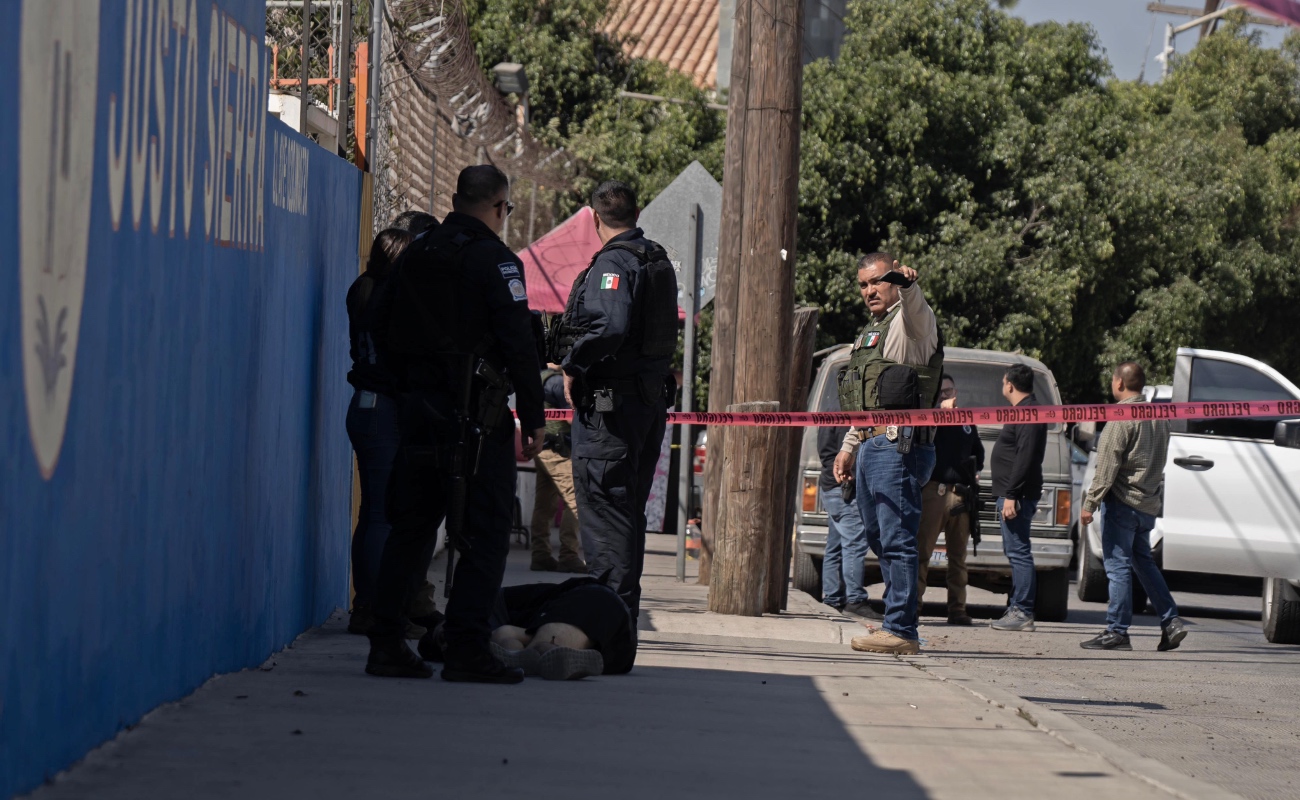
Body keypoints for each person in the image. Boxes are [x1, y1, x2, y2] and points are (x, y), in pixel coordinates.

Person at [365, 165, 546, 683]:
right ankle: (466, 646)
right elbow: (519, 346)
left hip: (418, 413)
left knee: (412, 527)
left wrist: (407, 385)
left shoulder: (417, 252)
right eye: (506, 209)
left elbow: (380, 321)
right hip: (478, 418)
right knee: (486, 530)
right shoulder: (497, 260)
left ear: (454, 199)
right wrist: (532, 417)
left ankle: (385, 643)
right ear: (497, 206)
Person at [556, 180, 677, 647]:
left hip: (612, 407)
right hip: (644, 404)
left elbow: (611, 325)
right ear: (638, 210)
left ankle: (608, 625)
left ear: (594, 218)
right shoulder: (656, 258)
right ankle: (621, 620)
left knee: (605, 511)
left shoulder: (614, 262)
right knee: (625, 514)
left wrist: (573, 362)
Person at [833, 254, 943, 655]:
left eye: (877, 281)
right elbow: (866, 398)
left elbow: (917, 309)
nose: (870, 291)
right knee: (880, 538)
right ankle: (898, 622)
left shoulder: (911, 322)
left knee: (897, 539)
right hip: (870, 443)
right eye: (863, 285)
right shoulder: (871, 331)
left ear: (894, 279)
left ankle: (901, 629)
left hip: (900, 444)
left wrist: (910, 285)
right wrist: (849, 446)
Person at [1079, 362, 1187, 652]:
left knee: (1118, 567)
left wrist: (1091, 502)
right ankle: (1171, 621)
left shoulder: (1120, 417)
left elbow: (1108, 465)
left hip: (1123, 505)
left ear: (1120, 384)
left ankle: (1117, 631)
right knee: (1144, 564)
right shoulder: (1159, 416)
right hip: (1147, 505)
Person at [345, 228, 416, 637]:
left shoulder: (362, 288)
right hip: (383, 409)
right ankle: (374, 609)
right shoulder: (393, 296)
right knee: (383, 514)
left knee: (371, 513)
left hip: (363, 405)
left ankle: (366, 606)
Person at [418, 576, 635, 680]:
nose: (449, 640)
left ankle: (550, 653)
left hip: (595, 600)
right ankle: (542, 657)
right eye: (445, 645)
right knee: (507, 638)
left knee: (529, 641)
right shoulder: (493, 631)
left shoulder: (485, 606)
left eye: (443, 634)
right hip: (616, 652)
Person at [917, 374, 984, 626]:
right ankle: (913, 607)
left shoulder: (966, 419)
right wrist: (937, 411)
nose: (947, 396)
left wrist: (974, 470)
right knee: (922, 553)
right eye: (942, 392)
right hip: (934, 491)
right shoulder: (928, 417)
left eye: (950, 391)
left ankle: (957, 609)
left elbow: (978, 451)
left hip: (960, 494)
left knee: (958, 557)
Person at [989, 364, 1047, 632]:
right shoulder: (1024, 410)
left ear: (1010, 385)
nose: (1003, 386)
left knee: (1019, 551)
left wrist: (1011, 495)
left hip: (1017, 495)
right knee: (1015, 550)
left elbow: (1024, 456)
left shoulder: (1028, 412)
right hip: (1013, 493)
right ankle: (1016, 607)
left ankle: (1022, 611)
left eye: (1003, 382)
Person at [818, 418, 881, 622]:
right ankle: (855, 599)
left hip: (832, 486)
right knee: (854, 544)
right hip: (844, 487)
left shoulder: (830, 410)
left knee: (835, 545)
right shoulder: (849, 412)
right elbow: (835, 454)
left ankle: (832, 598)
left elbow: (825, 452)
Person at [530, 365, 586, 573]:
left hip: (543, 449)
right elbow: (573, 418)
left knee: (544, 505)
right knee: (577, 502)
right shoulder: (557, 383)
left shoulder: (540, 376)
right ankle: (568, 555)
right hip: (558, 452)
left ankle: (540, 555)